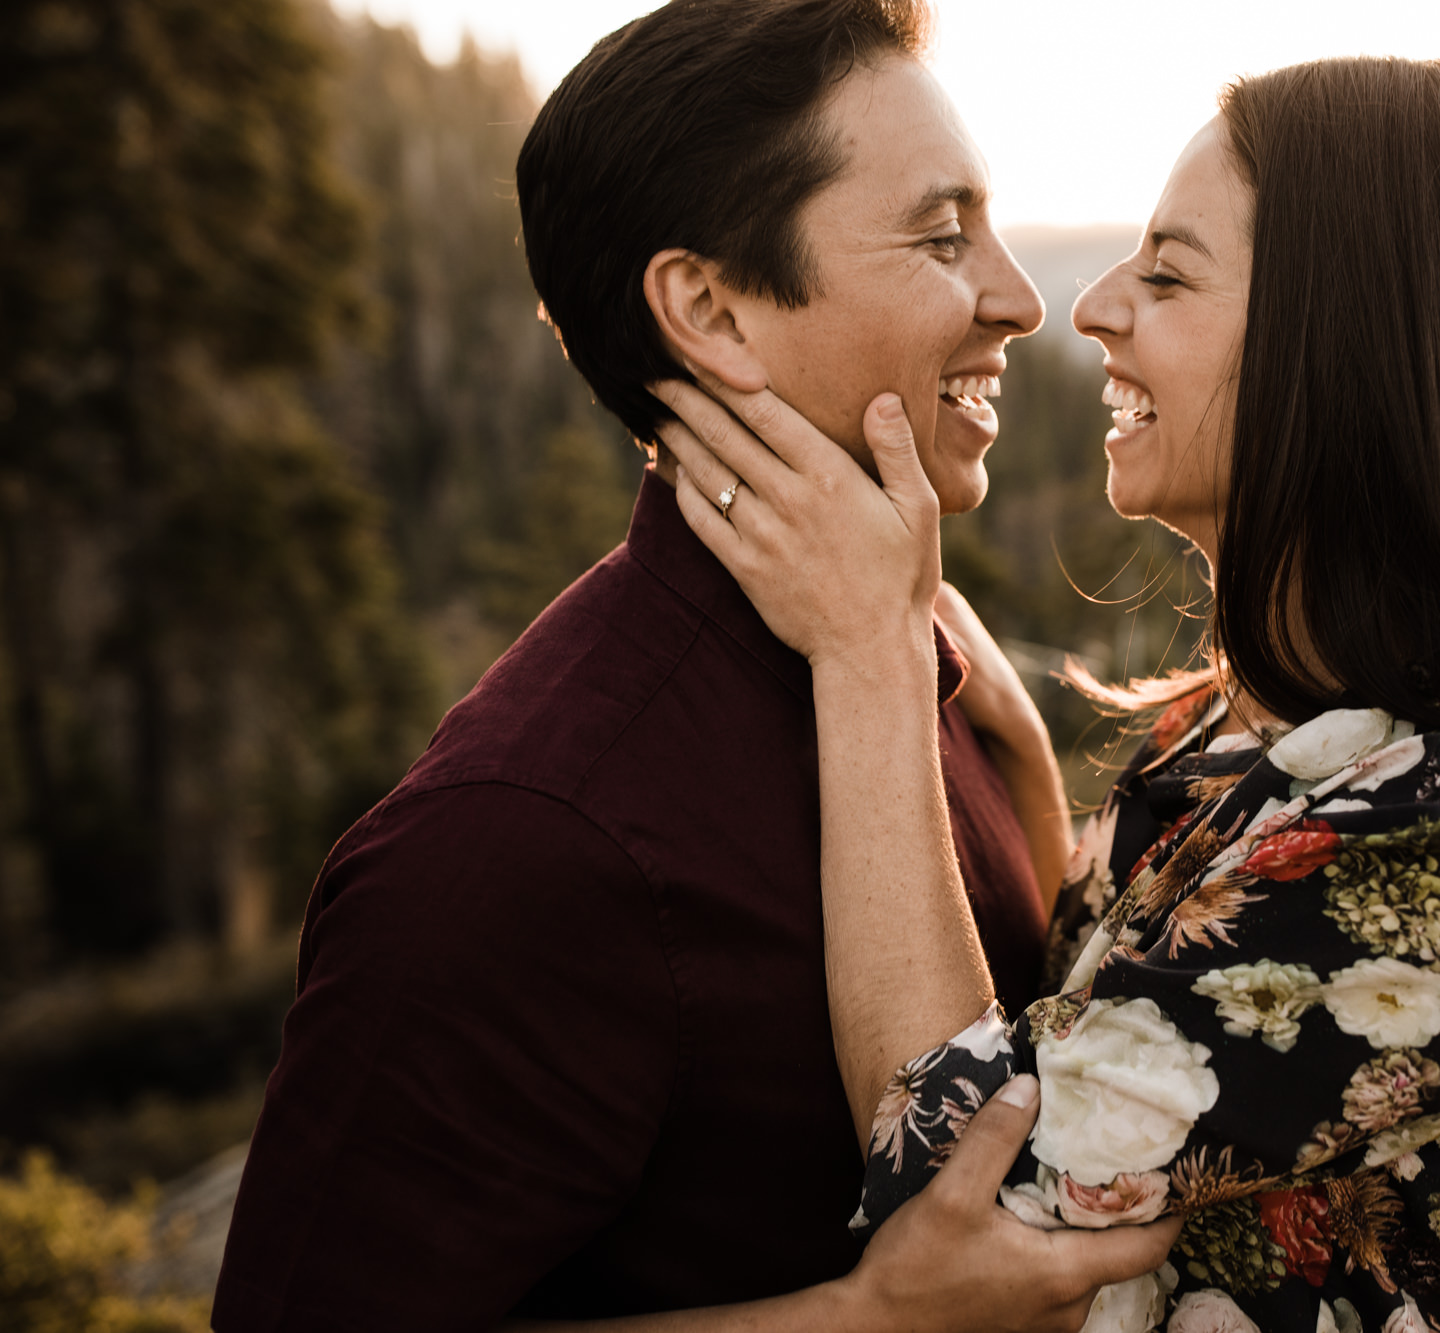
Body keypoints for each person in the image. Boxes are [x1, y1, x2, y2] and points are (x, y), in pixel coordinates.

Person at [656, 56, 1440, 1332]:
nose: (1091, 307)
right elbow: (1101, 1027)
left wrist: (870, 661)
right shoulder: (1261, 724)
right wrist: (1032, 783)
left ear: (1349, 344)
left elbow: (975, 1225)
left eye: (1165, 274)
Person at [211, 1, 1174, 1328]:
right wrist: (867, 1321)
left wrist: (1001, 739)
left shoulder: (902, 654)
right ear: (712, 310)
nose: (1017, 297)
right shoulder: (514, 846)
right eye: (944, 236)